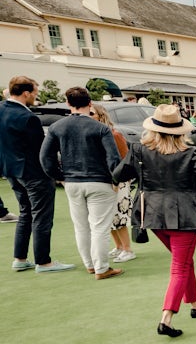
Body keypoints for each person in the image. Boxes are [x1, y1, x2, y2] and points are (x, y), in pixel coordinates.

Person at [112, 104, 196, 337]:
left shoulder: (139, 151)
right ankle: (166, 319)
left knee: (184, 262)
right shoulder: (188, 153)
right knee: (180, 266)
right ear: (180, 130)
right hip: (185, 216)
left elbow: (118, 175)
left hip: (151, 215)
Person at [38, 86, 123, 279]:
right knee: (99, 227)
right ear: (90, 103)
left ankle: (90, 265)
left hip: (72, 182)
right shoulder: (101, 128)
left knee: (81, 226)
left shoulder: (57, 127)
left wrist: (59, 176)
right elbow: (113, 159)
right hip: (99, 181)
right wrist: (116, 179)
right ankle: (101, 268)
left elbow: (45, 157)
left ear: (68, 103)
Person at [1, 76, 73, 273]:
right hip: (34, 173)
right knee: (41, 216)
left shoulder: (1, 110)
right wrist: (57, 174)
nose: (35, 96)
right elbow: (42, 151)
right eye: (34, 92)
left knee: (25, 212)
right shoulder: (29, 118)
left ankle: (20, 258)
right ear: (26, 93)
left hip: (11, 171)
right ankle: (43, 261)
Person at [90, 104, 136, 263]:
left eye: (92, 113)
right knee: (108, 217)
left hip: (118, 180)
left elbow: (125, 158)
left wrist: (121, 179)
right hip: (102, 180)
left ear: (100, 116)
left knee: (119, 215)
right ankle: (119, 246)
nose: (88, 116)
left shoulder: (114, 134)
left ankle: (127, 248)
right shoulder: (92, 135)